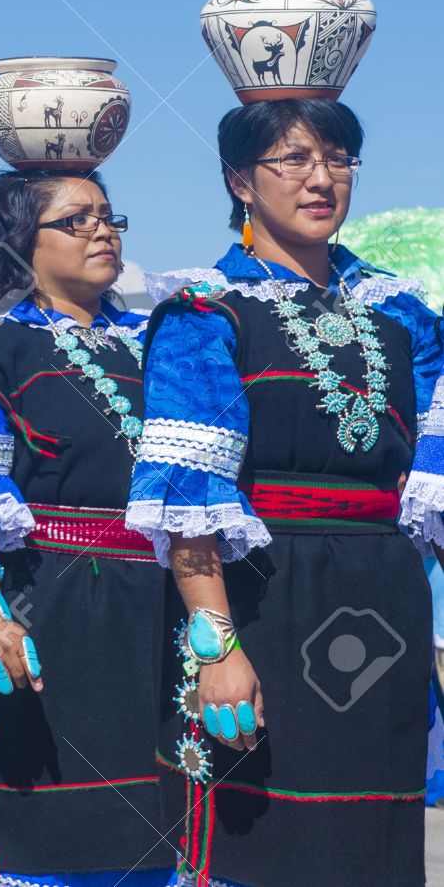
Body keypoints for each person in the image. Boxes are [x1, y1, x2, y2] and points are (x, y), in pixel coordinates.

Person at [128, 98, 441, 886]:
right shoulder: (206, 311)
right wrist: (217, 646)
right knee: (263, 841)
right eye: (293, 159)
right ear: (240, 179)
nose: (321, 177)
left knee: (371, 837)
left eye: (337, 158)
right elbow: (189, 497)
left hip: (384, 595)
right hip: (262, 598)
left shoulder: (404, 314)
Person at [0, 169, 172, 885]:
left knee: (147, 823)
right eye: (76, 219)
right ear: (21, 242)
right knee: (39, 826)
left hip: (146, 615)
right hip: (36, 610)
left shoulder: (157, 344)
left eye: (110, 216)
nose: (102, 230)